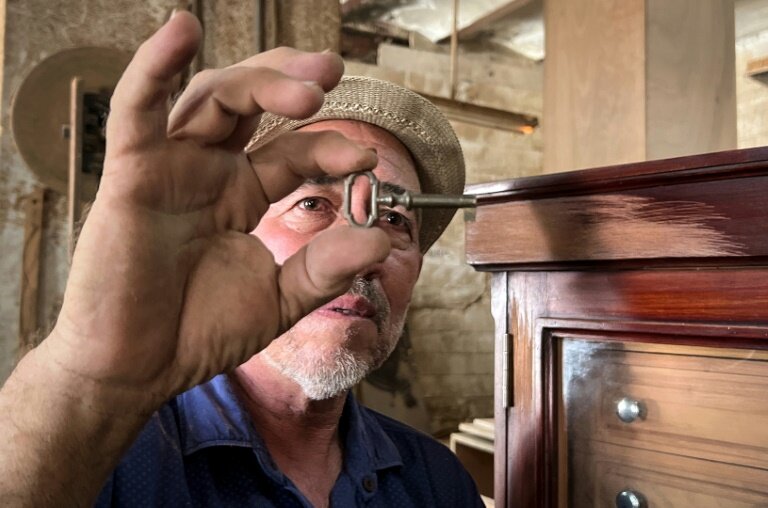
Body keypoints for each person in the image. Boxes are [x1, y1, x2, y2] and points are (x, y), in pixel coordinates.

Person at [0, 10, 483, 508]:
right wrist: (84, 384)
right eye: (312, 205)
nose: (354, 256)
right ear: (229, 234)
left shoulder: (438, 484)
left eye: (394, 220)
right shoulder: (98, 465)